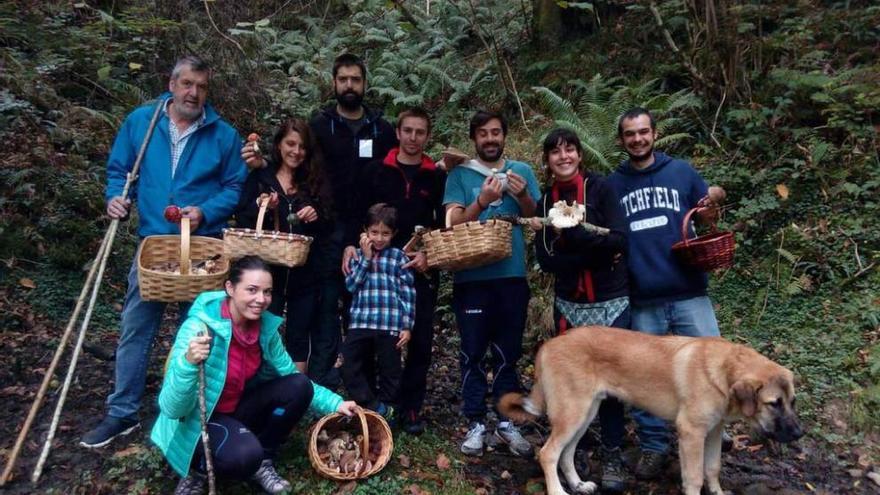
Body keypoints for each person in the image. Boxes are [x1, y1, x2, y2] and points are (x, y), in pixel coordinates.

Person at [81, 55, 248, 449]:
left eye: (201, 87)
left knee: (198, 331)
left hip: (202, 248)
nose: (194, 93)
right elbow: (120, 171)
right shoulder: (143, 121)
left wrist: (205, 210)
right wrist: (115, 199)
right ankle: (122, 413)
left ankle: (191, 414)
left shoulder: (223, 135)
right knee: (137, 328)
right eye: (187, 84)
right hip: (153, 246)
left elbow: (234, 187)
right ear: (171, 84)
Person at [150, 256, 358, 495]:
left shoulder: (265, 330)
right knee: (244, 457)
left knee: (299, 385)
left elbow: (291, 375)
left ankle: (264, 460)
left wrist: (336, 403)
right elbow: (172, 408)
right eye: (252, 290)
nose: (261, 299)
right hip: (201, 419)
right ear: (230, 288)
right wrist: (188, 363)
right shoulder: (199, 328)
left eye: (267, 292)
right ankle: (197, 469)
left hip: (238, 408)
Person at [607, 107, 727, 480]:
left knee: (715, 368)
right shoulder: (613, 184)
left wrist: (712, 207)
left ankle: (708, 442)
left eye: (643, 132)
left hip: (689, 290)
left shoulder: (682, 172)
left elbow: (708, 214)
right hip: (643, 297)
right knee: (645, 379)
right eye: (630, 134)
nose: (638, 139)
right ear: (622, 140)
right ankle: (654, 447)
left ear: (654, 134)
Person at [533, 128, 629, 492]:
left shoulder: (602, 189)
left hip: (610, 300)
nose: (563, 157)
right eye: (555, 152)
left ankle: (613, 451)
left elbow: (620, 240)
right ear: (547, 160)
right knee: (575, 384)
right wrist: (593, 249)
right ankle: (573, 450)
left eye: (569, 149)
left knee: (614, 383)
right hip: (571, 303)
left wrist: (573, 237)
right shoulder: (545, 201)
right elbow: (545, 259)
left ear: (579, 154)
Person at [443, 110, 541, 457]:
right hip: (471, 278)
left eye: (495, 132)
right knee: (472, 353)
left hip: (511, 276)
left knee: (507, 354)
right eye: (483, 133)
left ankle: (506, 422)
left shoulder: (522, 171)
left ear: (504, 136)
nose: (489, 139)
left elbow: (535, 219)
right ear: (474, 138)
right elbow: (452, 225)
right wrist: (482, 201)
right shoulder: (459, 174)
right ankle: (474, 422)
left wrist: (525, 194)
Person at [344, 107, 445, 435]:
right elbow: (356, 211)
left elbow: (444, 224)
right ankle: (373, 407)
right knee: (372, 340)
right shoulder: (376, 171)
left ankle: (410, 407)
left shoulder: (436, 177)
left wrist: (430, 254)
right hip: (375, 268)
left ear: (427, 136)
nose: (413, 138)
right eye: (408, 131)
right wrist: (352, 244)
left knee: (418, 339)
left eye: (420, 132)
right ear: (398, 133)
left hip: (420, 268)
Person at [236, 118, 331, 374]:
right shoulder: (261, 177)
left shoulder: (313, 181)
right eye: (290, 143)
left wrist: (315, 215)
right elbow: (243, 217)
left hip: (305, 275)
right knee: (262, 332)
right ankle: (258, 388)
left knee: (299, 336)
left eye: (302, 147)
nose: (296, 152)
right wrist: (264, 207)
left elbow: (327, 224)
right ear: (279, 145)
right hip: (268, 275)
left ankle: (296, 394)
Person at [341, 204, 415, 421]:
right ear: (365, 231)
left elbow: (408, 293)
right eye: (374, 232)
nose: (380, 238)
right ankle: (372, 405)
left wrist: (406, 326)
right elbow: (351, 286)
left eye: (385, 233)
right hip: (361, 323)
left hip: (389, 324)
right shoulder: (356, 255)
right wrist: (365, 258)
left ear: (394, 234)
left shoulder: (399, 257)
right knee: (349, 365)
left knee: (390, 371)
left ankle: (388, 412)